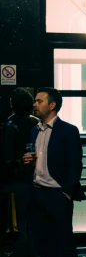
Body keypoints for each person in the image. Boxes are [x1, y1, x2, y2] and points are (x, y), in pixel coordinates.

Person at [23, 87, 85, 257]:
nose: (34, 104)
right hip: (37, 193)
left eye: (39, 101)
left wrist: (66, 192)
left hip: (57, 195)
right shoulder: (34, 131)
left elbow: (75, 165)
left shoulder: (68, 131)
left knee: (65, 243)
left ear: (52, 105)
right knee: (44, 245)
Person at [2, 88, 39, 237]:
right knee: (34, 220)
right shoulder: (37, 124)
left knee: (18, 221)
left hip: (15, 180)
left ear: (12, 104)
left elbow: (6, 156)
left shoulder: (9, 125)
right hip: (37, 178)